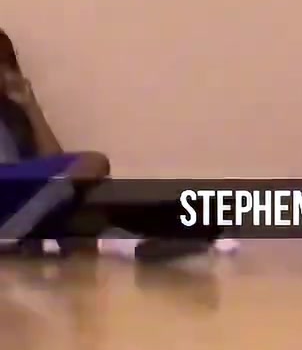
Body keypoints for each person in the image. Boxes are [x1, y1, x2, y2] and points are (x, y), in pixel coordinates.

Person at [0, 30, 214, 263]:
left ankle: (138, 243)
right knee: (93, 163)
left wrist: (30, 106)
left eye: (5, 65)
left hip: (18, 204)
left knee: (86, 202)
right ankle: (17, 234)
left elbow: (53, 163)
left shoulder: (14, 113)